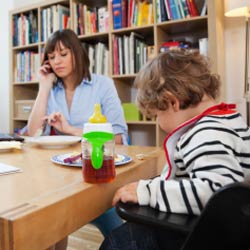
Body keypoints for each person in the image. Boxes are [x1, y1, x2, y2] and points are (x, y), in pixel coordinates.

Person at [100, 49, 250, 250]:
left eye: (156, 115)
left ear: (172, 102)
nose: (158, 123)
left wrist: (149, 192)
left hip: (202, 238)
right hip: (227, 234)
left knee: (118, 242)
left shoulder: (205, 133)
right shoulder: (229, 120)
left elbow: (218, 196)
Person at [27, 29, 128, 249]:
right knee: (46, 226)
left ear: (77, 53)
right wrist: (43, 88)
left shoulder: (103, 85)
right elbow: (31, 133)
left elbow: (118, 138)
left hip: (96, 175)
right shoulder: (51, 90)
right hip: (56, 178)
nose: (57, 61)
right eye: (51, 56)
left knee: (117, 232)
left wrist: (71, 129)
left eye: (63, 54)